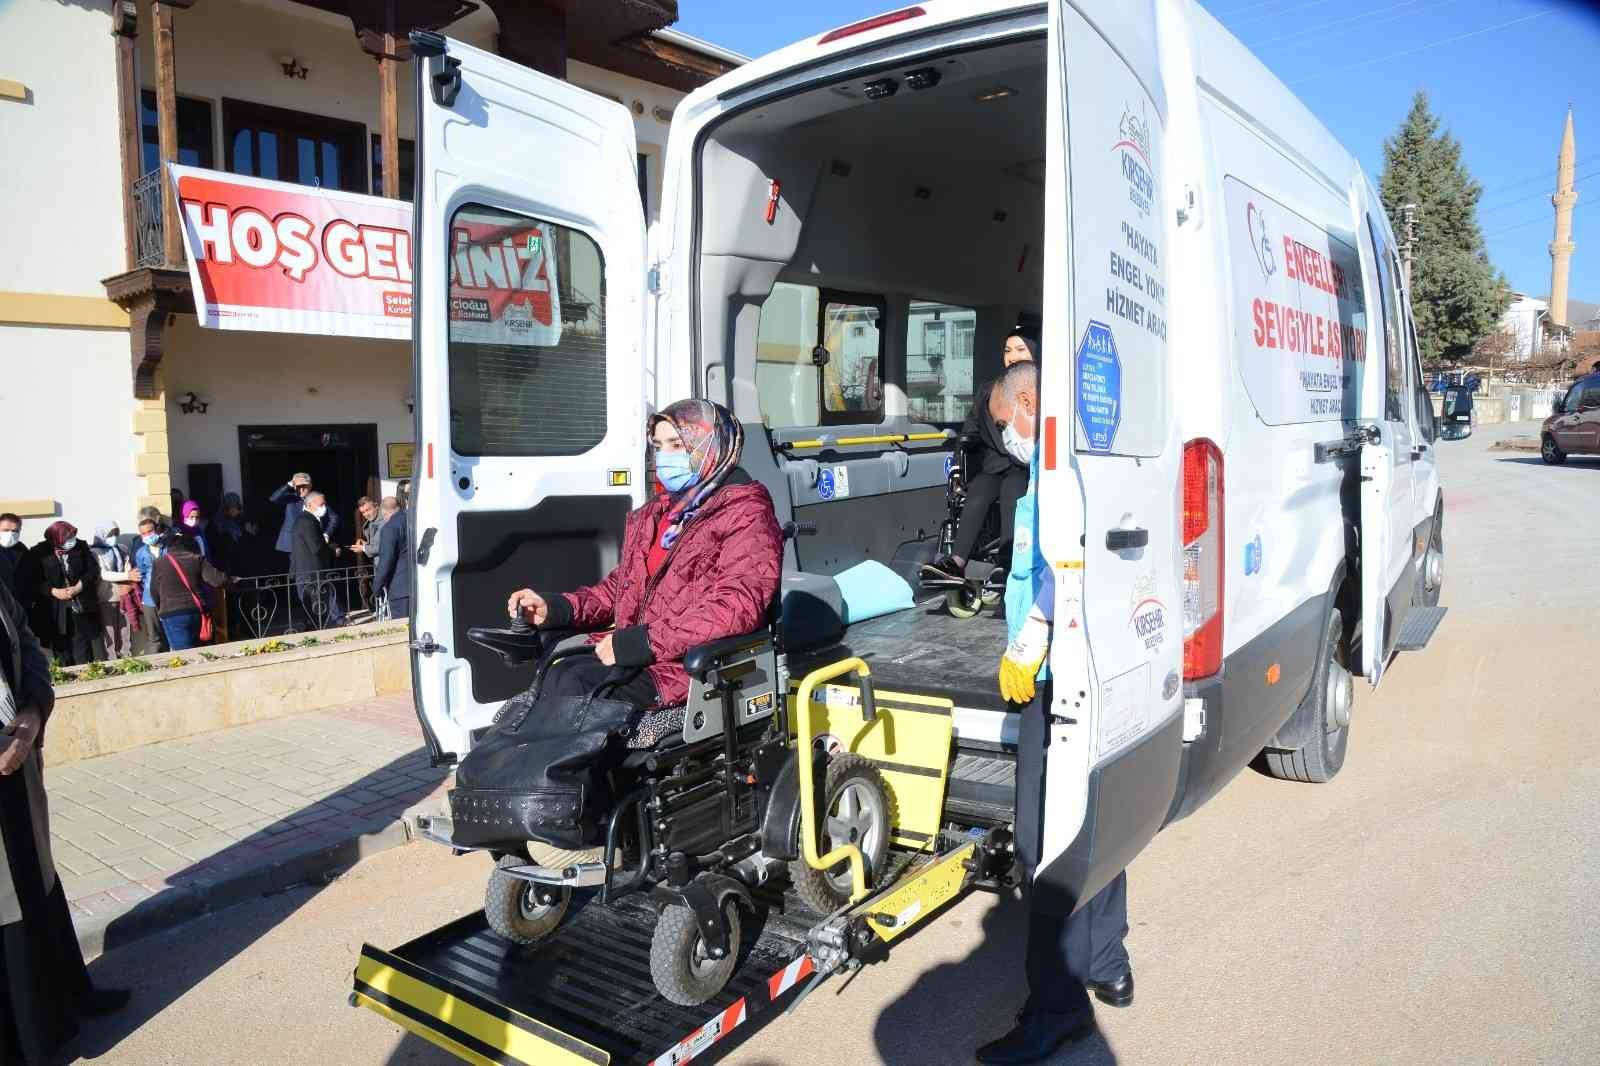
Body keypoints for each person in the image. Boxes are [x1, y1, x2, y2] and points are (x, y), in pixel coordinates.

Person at [976, 361, 1133, 1066]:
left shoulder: (1056, 464)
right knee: (1099, 815)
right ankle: (1105, 960)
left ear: (1028, 402)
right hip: (1099, 660)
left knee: (1048, 842)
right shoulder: (1090, 449)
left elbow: (1060, 564)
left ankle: (1056, 1011)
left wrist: (1030, 637)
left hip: (1058, 666)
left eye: (1004, 419)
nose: (1003, 433)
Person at [505, 399, 782, 718]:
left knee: (575, 685)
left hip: (689, 666)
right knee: (557, 666)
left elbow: (736, 607)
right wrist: (558, 608)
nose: (665, 456)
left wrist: (642, 643)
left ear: (710, 446)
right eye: (659, 446)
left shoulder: (746, 513)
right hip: (640, 653)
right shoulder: (662, 513)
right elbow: (620, 589)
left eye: (677, 444)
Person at [0, 578, 130, 1063]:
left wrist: (32, 716)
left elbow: (28, 646)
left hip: (17, 755)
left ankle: (67, 1000)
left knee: (35, 879)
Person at [923, 332, 1038, 582]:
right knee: (979, 489)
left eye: (1020, 350)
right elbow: (969, 431)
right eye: (1007, 351)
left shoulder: (1044, 388)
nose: (1012, 356)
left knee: (1013, 490)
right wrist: (956, 468)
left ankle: (1007, 562)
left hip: (1026, 468)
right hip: (993, 465)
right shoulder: (989, 390)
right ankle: (956, 562)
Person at [149, 528, 227, 651]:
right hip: (197, 611)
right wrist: (233, 579)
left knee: (184, 654)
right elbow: (217, 580)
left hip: (172, 614)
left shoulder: (159, 563)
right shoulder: (197, 559)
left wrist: (161, 608)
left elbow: (153, 591)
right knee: (201, 651)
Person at [35, 523, 101, 666]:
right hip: (55, 609)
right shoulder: (39, 552)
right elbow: (33, 580)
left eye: (73, 535)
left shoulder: (81, 547)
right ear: (56, 538)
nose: (72, 539)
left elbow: (93, 570)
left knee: (82, 647)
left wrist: (79, 586)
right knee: (61, 650)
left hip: (80, 605)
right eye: (68, 537)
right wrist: (53, 591)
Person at [290, 492, 344, 628]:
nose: (324, 507)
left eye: (324, 504)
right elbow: (316, 547)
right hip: (310, 573)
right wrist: (332, 549)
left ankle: (334, 622)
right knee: (315, 612)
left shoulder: (309, 519)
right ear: (310, 505)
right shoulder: (306, 520)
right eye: (321, 504)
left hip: (311, 572)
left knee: (318, 609)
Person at [90, 523, 138, 660]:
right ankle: (112, 663)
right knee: (109, 635)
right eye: (110, 534)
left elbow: (128, 566)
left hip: (124, 596)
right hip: (106, 598)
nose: (114, 537)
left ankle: (127, 659)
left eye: (116, 534)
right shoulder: (95, 552)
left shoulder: (122, 549)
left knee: (125, 632)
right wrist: (126, 576)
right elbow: (104, 574)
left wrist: (128, 580)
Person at [270, 473, 339, 560]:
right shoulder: (291, 498)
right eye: (298, 487)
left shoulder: (317, 499)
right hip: (293, 542)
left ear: (310, 486)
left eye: (304, 486)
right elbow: (273, 498)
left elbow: (334, 517)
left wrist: (327, 534)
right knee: (296, 568)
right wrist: (289, 484)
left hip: (313, 539)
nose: (301, 490)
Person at [132, 515, 168, 655]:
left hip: (168, 596)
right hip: (149, 599)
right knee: (154, 637)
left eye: (150, 531)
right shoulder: (141, 553)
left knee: (169, 632)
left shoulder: (168, 547)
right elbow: (141, 573)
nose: (147, 535)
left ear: (156, 530)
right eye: (143, 533)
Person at [372, 496, 409, 621]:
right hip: (419, 585)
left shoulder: (389, 528)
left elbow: (386, 560)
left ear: (384, 511)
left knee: (404, 629)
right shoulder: (413, 519)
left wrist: (377, 586)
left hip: (400, 589)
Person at [352, 497, 382, 612]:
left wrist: (364, 548)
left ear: (376, 506)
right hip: (377, 564)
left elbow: (381, 546)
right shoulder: (370, 522)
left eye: (368, 510)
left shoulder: (383, 521)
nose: (366, 514)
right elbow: (375, 542)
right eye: (363, 512)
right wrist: (366, 544)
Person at [0, 514, 25, 600]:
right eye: (6, 530)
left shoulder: (22, 549)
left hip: (20, 601)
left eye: (15, 531)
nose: (10, 534)